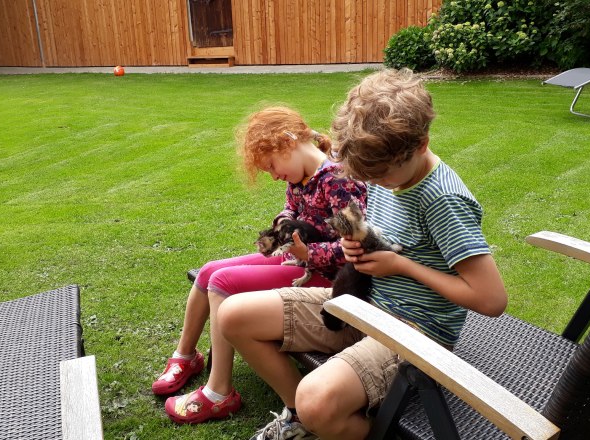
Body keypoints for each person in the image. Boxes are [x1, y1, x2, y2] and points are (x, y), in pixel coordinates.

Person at [218, 69, 508, 440]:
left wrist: (401, 265)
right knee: (234, 316)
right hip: (366, 302)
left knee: (318, 398)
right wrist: (358, 243)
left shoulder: (442, 199)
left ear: (420, 144)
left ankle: (326, 418)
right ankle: (301, 417)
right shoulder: (390, 171)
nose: (374, 184)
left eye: (380, 176)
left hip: (415, 329)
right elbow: (387, 229)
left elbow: (491, 299)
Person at [152, 106, 367, 425]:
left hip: (325, 277)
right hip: (299, 259)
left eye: (271, 166)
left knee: (223, 282)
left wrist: (308, 253)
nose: (274, 175)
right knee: (211, 270)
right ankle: (187, 356)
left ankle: (219, 391)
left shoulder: (337, 179)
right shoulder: (301, 174)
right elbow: (290, 208)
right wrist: (284, 223)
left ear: (287, 141)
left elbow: (356, 247)